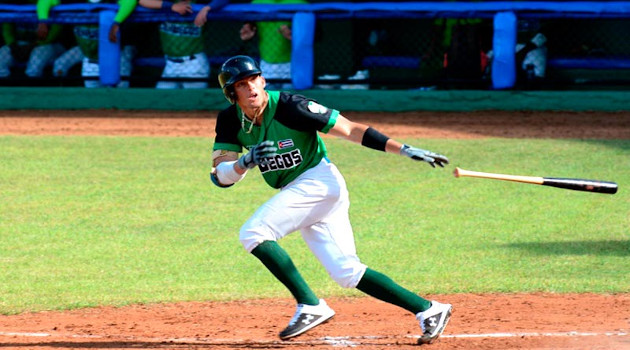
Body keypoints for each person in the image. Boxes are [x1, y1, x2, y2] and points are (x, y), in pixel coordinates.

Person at [210, 55, 452, 344]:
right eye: (241, 84)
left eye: (253, 80)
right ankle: (429, 310)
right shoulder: (229, 120)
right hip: (301, 192)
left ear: (262, 80)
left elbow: (350, 130)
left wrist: (405, 150)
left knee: (254, 232)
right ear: (231, 93)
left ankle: (310, 305)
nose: (250, 88)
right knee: (347, 272)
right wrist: (244, 163)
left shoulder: (290, 106)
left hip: (318, 182)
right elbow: (220, 176)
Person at [40, 0, 138, 88]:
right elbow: (45, 1)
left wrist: (117, 22)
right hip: (89, 55)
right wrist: (43, 21)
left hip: (116, 54)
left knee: (121, 90)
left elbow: (130, 1)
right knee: (93, 94)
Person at [137, 0, 228, 89]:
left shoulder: (199, 3)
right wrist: (171, 6)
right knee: (160, 99)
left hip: (194, 64)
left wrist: (207, 8)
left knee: (195, 102)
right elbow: (141, 1)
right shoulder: (168, 3)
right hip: (170, 65)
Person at [239, 0, 307, 90]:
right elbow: (250, 27)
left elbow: (316, 35)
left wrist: (295, 34)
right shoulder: (257, 4)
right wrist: (248, 30)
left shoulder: (300, 4)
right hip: (266, 64)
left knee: (292, 100)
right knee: (265, 100)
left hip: (293, 64)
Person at [0, 0, 64, 78]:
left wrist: (32, 46)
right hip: (19, 44)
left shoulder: (50, 3)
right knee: (3, 54)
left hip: (47, 45)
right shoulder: (12, 3)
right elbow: (7, 31)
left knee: (37, 58)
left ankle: (32, 85)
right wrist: (12, 45)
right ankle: (6, 86)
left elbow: (53, 36)